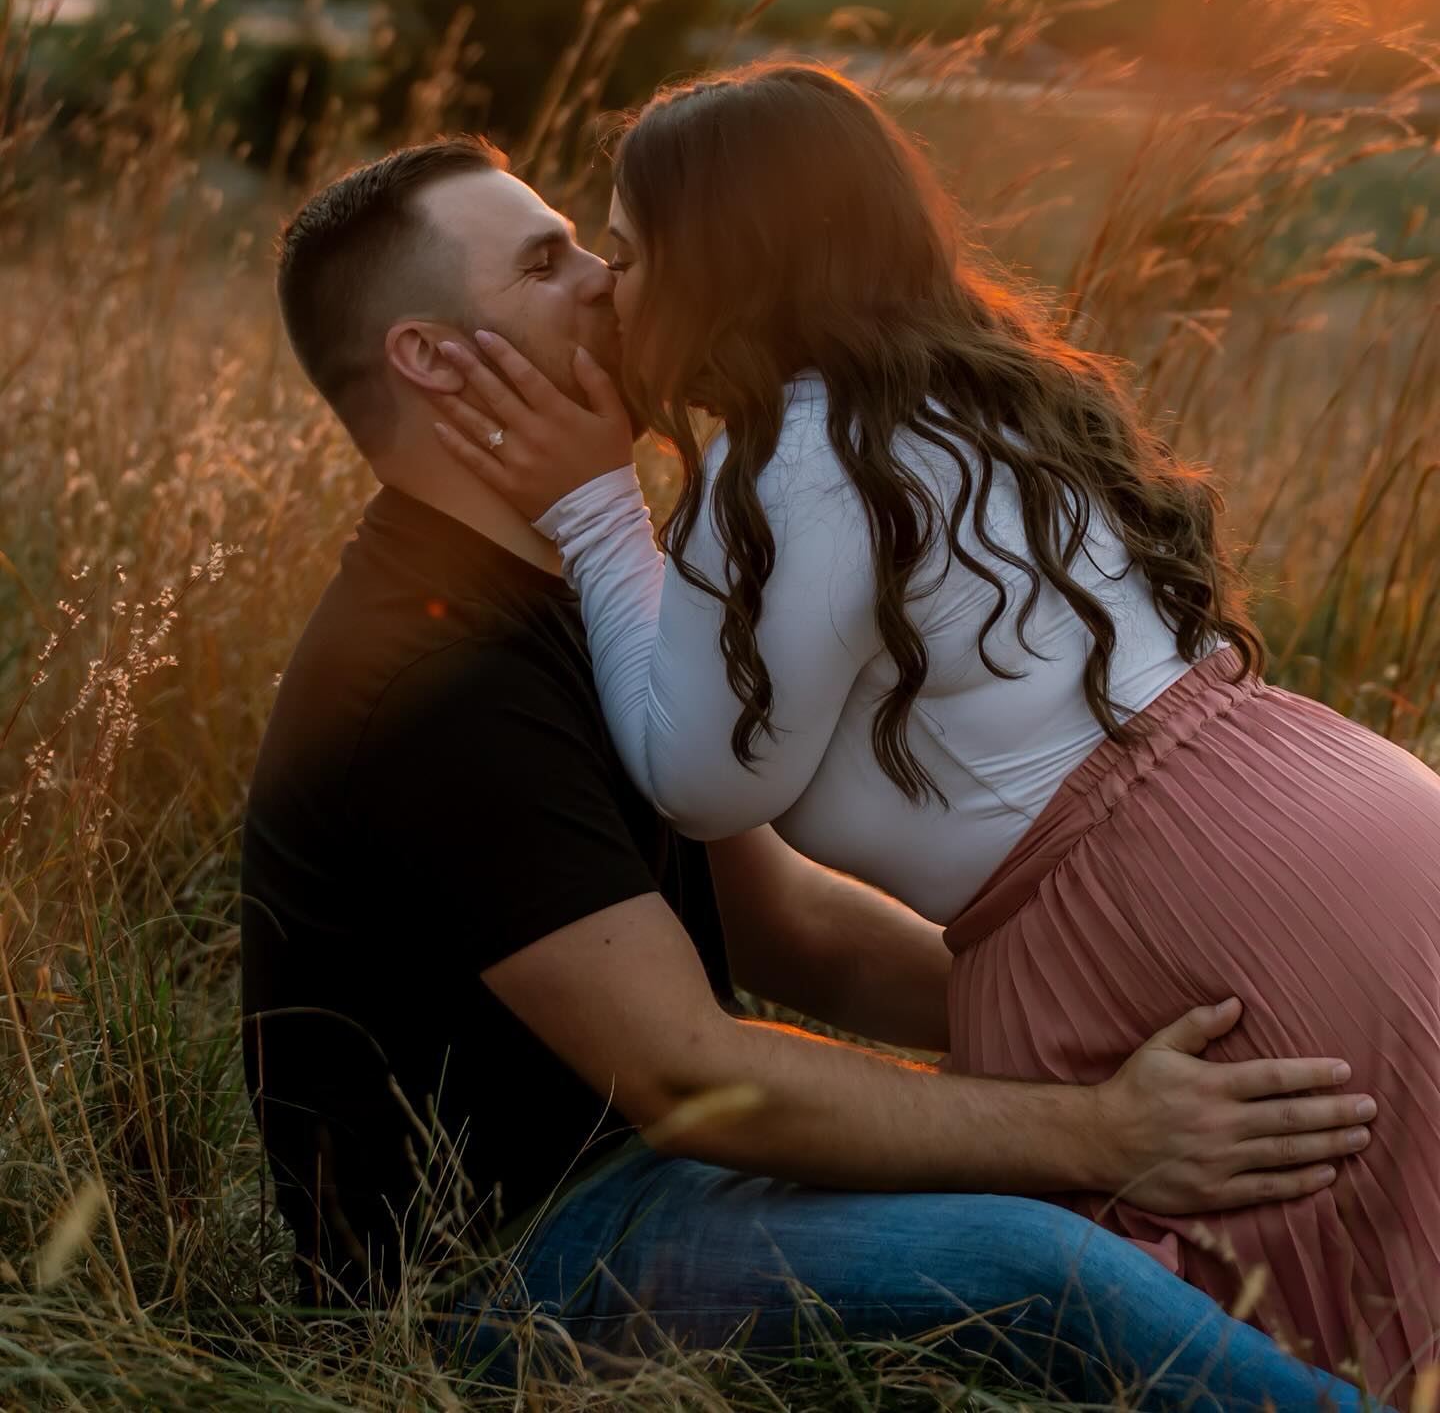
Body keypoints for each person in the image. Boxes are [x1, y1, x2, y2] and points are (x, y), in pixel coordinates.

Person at [244, 133, 1379, 1410]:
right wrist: (1103, 1129)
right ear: (436, 359)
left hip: (676, 1175)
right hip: (515, 1267)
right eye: (546, 262)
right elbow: (687, 1076)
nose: (605, 281)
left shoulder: (577, 586)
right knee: (1041, 1265)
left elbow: (789, 929)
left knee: (1165, 1183)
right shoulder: (416, 683)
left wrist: (1102, 1042)